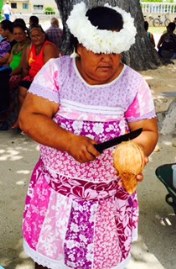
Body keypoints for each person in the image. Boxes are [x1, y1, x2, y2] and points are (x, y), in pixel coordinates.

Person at [19, 3, 158, 269]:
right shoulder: (57, 72)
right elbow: (29, 119)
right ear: (80, 47)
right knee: (49, 264)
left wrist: (135, 153)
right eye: (99, 51)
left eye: (115, 52)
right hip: (56, 198)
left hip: (107, 202)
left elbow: (147, 131)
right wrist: (70, 141)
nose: (109, 59)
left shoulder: (133, 83)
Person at [12, 25, 59, 128]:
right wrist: (24, 77)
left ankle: (30, 120)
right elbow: (25, 66)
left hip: (47, 80)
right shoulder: (29, 47)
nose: (36, 38)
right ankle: (23, 119)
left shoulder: (48, 47)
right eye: (33, 36)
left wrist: (34, 81)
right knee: (22, 88)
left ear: (43, 35)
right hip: (33, 78)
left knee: (28, 91)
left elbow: (48, 71)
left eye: (38, 35)